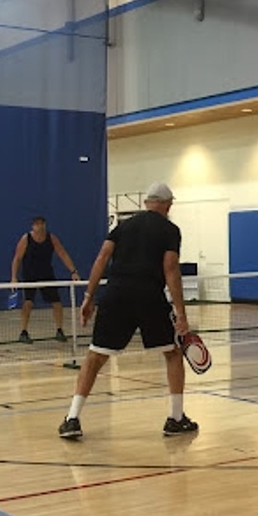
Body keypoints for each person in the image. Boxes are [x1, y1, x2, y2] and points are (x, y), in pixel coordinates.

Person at [58, 182, 197, 439]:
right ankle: (176, 419)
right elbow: (170, 269)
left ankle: (72, 418)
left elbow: (101, 258)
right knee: (173, 354)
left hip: (116, 294)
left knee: (95, 357)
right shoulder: (170, 230)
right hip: (149, 296)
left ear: (146, 203)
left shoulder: (122, 226)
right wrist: (181, 313)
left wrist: (89, 297)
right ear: (168, 205)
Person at [10, 216, 81, 343]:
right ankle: (23, 332)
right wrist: (14, 277)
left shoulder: (51, 238)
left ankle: (59, 330)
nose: (40, 226)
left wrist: (73, 271)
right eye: (37, 224)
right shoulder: (26, 239)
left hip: (47, 275)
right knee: (28, 303)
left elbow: (62, 254)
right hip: (30, 276)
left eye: (42, 224)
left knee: (57, 303)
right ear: (32, 226)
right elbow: (17, 258)